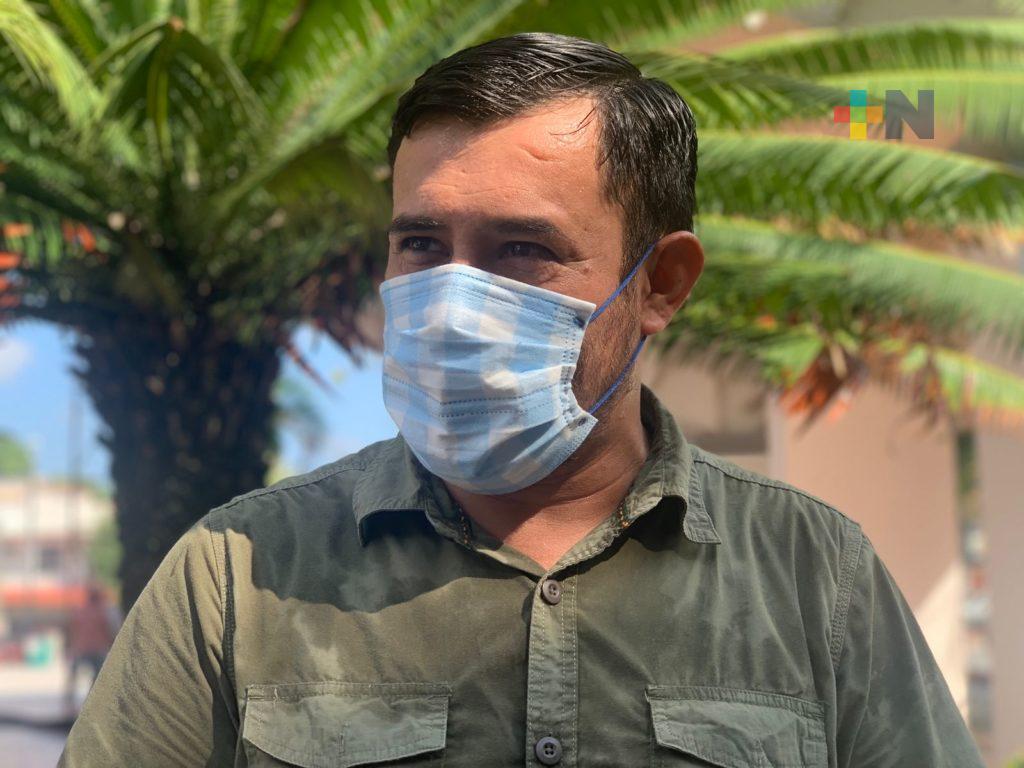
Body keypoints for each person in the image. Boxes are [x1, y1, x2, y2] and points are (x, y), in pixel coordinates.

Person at [60, 32, 984, 767]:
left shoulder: (814, 576)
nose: (453, 304)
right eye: (421, 245)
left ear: (661, 283)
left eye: (522, 251)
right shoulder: (235, 573)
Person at [63, 583, 115, 712]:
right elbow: (111, 631)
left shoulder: (80, 611)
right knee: (96, 678)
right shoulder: (104, 612)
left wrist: (69, 647)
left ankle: (71, 704)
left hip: (82, 649)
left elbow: (70, 630)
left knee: (75, 678)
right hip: (97, 649)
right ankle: (90, 705)